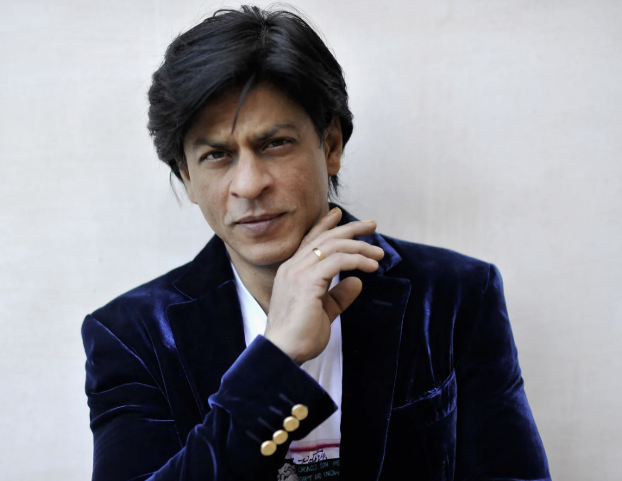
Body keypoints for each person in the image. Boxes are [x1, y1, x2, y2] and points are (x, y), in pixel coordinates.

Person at [81, 5, 551, 481]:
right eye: (217, 155)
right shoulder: (131, 335)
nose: (249, 184)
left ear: (330, 146)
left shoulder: (455, 296)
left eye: (274, 144)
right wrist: (275, 359)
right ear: (187, 176)